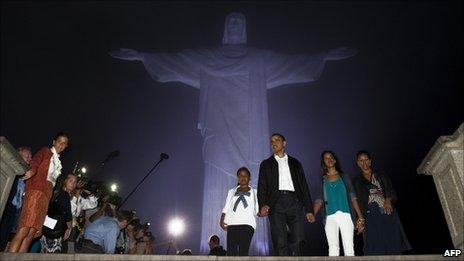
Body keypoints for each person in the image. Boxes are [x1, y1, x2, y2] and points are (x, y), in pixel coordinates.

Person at [110, 12, 356, 255]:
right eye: (232, 22)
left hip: (252, 133)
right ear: (226, 28)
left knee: (255, 179)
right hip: (219, 131)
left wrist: (322, 57)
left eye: (240, 21)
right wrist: (143, 56)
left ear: (245, 28)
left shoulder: (258, 58)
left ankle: (258, 250)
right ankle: (215, 247)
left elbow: (292, 63)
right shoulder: (209, 57)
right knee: (220, 182)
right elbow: (177, 61)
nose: (236, 25)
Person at [8, 132, 69, 253]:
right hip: (36, 191)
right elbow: (35, 161)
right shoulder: (46, 151)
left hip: (45, 197)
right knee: (24, 228)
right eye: (59, 142)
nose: (61, 145)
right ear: (54, 142)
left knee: (31, 234)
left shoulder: (58, 163)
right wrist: (31, 171)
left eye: (64, 144)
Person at [257, 133, 315, 256]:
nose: (273, 142)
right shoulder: (266, 164)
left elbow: (303, 186)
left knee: (299, 239)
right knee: (280, 241)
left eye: (277, 140)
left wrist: (309, 209)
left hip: (294, 201)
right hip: (275, 203)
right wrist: (262, 205)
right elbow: (262, 187)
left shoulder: (295, 163)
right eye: (271, 141)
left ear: (284, 143)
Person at [353, 150, 411, 255]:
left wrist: (388, 200)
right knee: (374, 245)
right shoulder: (356, 181)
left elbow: (391, 192)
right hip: (369, 214)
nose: (364, 163)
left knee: (392, 242)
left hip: (385, 210)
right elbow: (355, 201)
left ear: (370, 161)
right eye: (361, 160)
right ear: (357, 163)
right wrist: (358, 219)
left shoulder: (381, 175)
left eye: (366, 159)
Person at [313, 151, 365, 256]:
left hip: (346, 215)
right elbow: (319, 199)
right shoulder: (322, 180)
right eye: (326, 158)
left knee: (349, 248)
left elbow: (353, 197)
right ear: (324, 162)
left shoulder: (344, 176)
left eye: (331, 157)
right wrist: (312, 213)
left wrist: (360, 217)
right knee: (333, 249)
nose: (329, 159)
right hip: (330, 217)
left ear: (335, 160)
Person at [220, 167, 259, 256]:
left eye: (245, 175)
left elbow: (257, 209)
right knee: (231, 252)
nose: (243, 177)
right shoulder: (232, 191)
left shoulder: (255, 192)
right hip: (232, 223)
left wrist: (262, 212)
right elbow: (226, 207)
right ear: (237, 178)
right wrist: (222, 220)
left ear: (249, 178)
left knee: (243, 251)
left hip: (248, 224)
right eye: (240, 175)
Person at [0, 147, 32, 251]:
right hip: (5, 207)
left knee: (5, 239)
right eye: (27, 157)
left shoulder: (25, 179)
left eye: (30, 158)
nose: (29, 160)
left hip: (14, 211)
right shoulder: (10, 172)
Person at [40, 173, 76, 253]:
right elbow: (68, 215)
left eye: (75, 182)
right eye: (71, 181)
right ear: (65, 181)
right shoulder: (65, 195)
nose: (73, 184)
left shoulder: (57, 191)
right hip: (54, 232)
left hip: (46, 228)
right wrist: (69, 228)